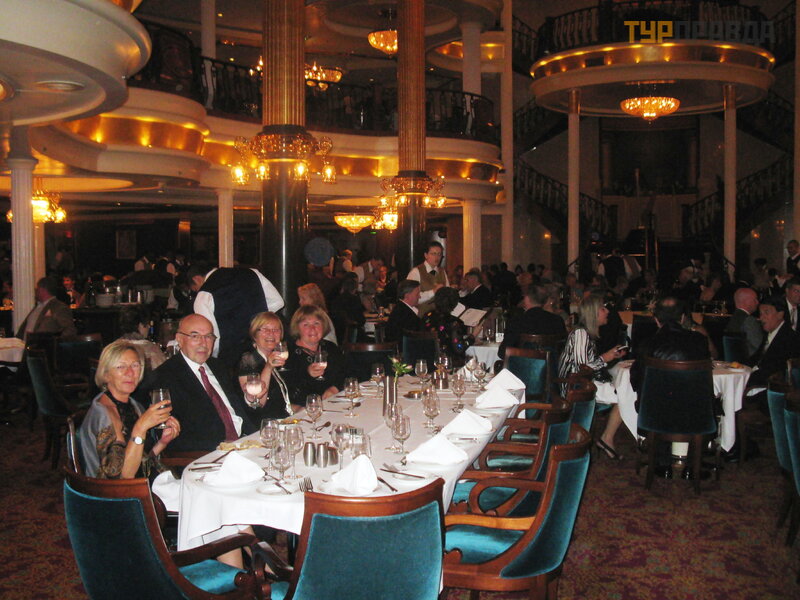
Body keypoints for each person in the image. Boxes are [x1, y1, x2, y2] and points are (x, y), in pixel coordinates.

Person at [137, 314, 256, 452]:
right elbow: (172, 437)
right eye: (195, 336)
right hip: (208, 453)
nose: (203, 343)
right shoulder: (164, 377)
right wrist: (225, 447)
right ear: (179, 339)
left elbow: (236, 410)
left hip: (245, 443)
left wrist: (249, 400)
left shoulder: (219, 367)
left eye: (208, 337)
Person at [629, 297, 711, 478]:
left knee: (656, 399)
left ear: (656, 320)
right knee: (699, 400)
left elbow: (636, 380)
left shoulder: (647, 345)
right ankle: (692, 465)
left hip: (656, 416)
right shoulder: (698, 341)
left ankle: (662, 462)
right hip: (694, 414)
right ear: (682, 318)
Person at [80, 340, 180, 479]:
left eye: (135, 365)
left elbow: (140, 460)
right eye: (121, 367)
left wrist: (162, 442)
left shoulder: (133, 405)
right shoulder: (105, 414)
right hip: (116, 491)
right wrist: (140, 428)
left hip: (140, 483)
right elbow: (123, 477)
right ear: (106, 374)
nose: (130, 372)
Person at [557, 292, 628, 459]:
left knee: (625, 383)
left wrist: (611, 358)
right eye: (603, 309)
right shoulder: (580, 334)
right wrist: (605, 358)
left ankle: (606, 438)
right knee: (626, 393)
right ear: (593, 313)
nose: (607, 312)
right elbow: (582, 370)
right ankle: (606, 438)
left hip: (583, 383)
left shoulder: (586, 334)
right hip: (576, 387)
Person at [191, 264, 284, 368]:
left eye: (195, 289)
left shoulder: (203, 295)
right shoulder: (253, 273)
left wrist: (215, 360)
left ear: (196, 279)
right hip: (259, 349)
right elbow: (278, 302)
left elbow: (211, 335)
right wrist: (257, 318)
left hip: (231, 357)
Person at [283, 305, 345, 403]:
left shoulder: (330, 348)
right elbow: (288, 391)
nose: (312, 328)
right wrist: (307, 374)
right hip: (304, 407)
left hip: (335, 404)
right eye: (306, 324)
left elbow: (346, 373)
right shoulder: (288, 354)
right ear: (297, 328)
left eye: (316, 323)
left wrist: (335, 388)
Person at [237, 312, 293, 420]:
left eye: (276, 330)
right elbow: (258, 403)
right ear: (254, 334)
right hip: (264, 423)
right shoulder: (248, 359)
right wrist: (268, 367)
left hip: (284, 417)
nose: (271, 333)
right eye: (265, 329)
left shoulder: (278, 356)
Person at [745, 295, 800, 392]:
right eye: (760, 313)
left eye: (766, 312)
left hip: (771, 388)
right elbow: (756, 359)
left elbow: (776, 370)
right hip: (757, 381)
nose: (761, 318)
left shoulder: (790, 339)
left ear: (780, 314)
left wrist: (746, 377)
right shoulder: (769, 334)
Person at [499, 284, 566, 359]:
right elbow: (563, 350)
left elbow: (503, 352)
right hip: (552, 365)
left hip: (523, 365)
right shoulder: (557, 321)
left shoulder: (517, 322)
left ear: (526, 299)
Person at [422, 287, 473, 367]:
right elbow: (459, 348)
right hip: (448, 363)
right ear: (455, 304)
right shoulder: (453, 322)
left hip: (426, 360)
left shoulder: (426, 317)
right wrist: (472, 337)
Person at [117, 306, 166, 373]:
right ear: (140, 325)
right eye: (146, 324)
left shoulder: (114, 347)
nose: (149, 327)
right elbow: (163, 371)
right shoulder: (150, 348)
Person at [406, 241, 449, 313]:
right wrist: (433, 292)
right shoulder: (416, 272)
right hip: (421, 315)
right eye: (433, 254)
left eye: (439, 254)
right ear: (426, 255)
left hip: (439, 315)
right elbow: (410, 298)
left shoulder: (442, 272)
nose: (437, 257)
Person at [724, 287, 763, 359]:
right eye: (755, 299)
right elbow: (759, 348)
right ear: (746, 301)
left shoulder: (733, 318)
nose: (757, 302)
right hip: (748, 361)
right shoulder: (749, 321)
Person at [329, 275, 366, 342]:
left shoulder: (335, 301)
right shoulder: (354, 300)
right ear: (354, 289)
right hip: (354, 336)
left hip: (339, 335)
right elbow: (361, 320)